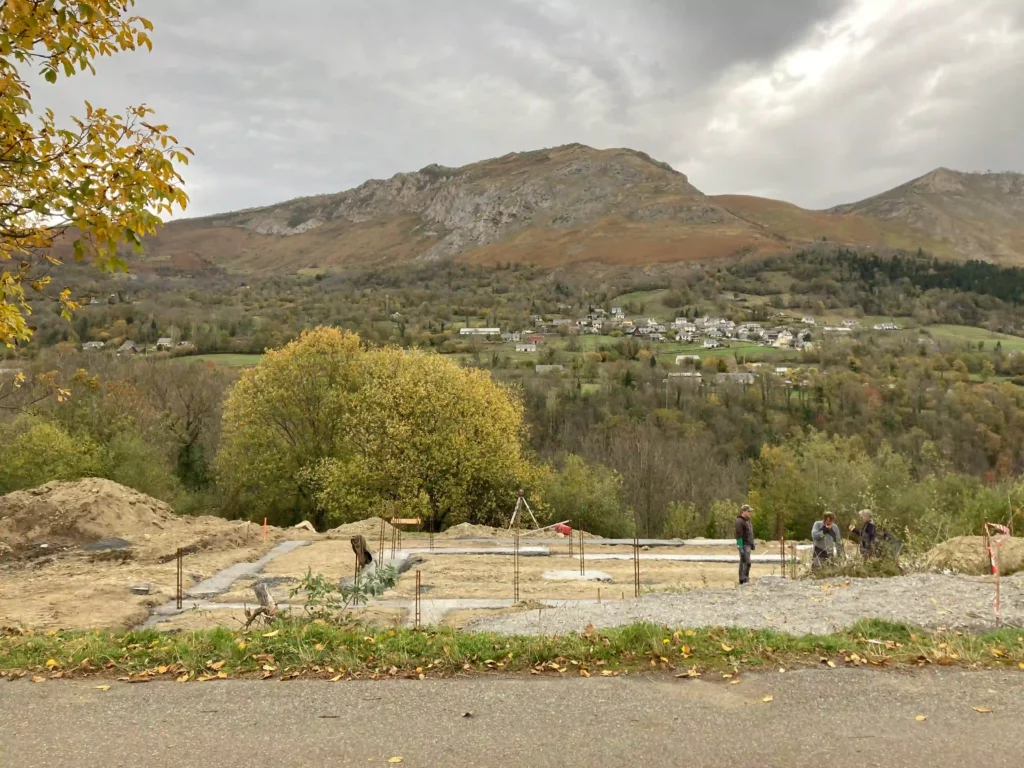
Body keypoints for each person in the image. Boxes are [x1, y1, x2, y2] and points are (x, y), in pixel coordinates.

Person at [735, 504, 755, 585]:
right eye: (748, 511)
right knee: (745, 562)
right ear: (743, 512)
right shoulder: (739, 521)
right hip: (744, 545)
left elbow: (750, 533)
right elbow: (738, 536)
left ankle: (745, 578)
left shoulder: (747, 521)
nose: (750, 513)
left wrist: (752, 543)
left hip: (748, 544)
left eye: (750, 511)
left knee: (747, 562)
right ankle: (743, 579)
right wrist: (740, 547)